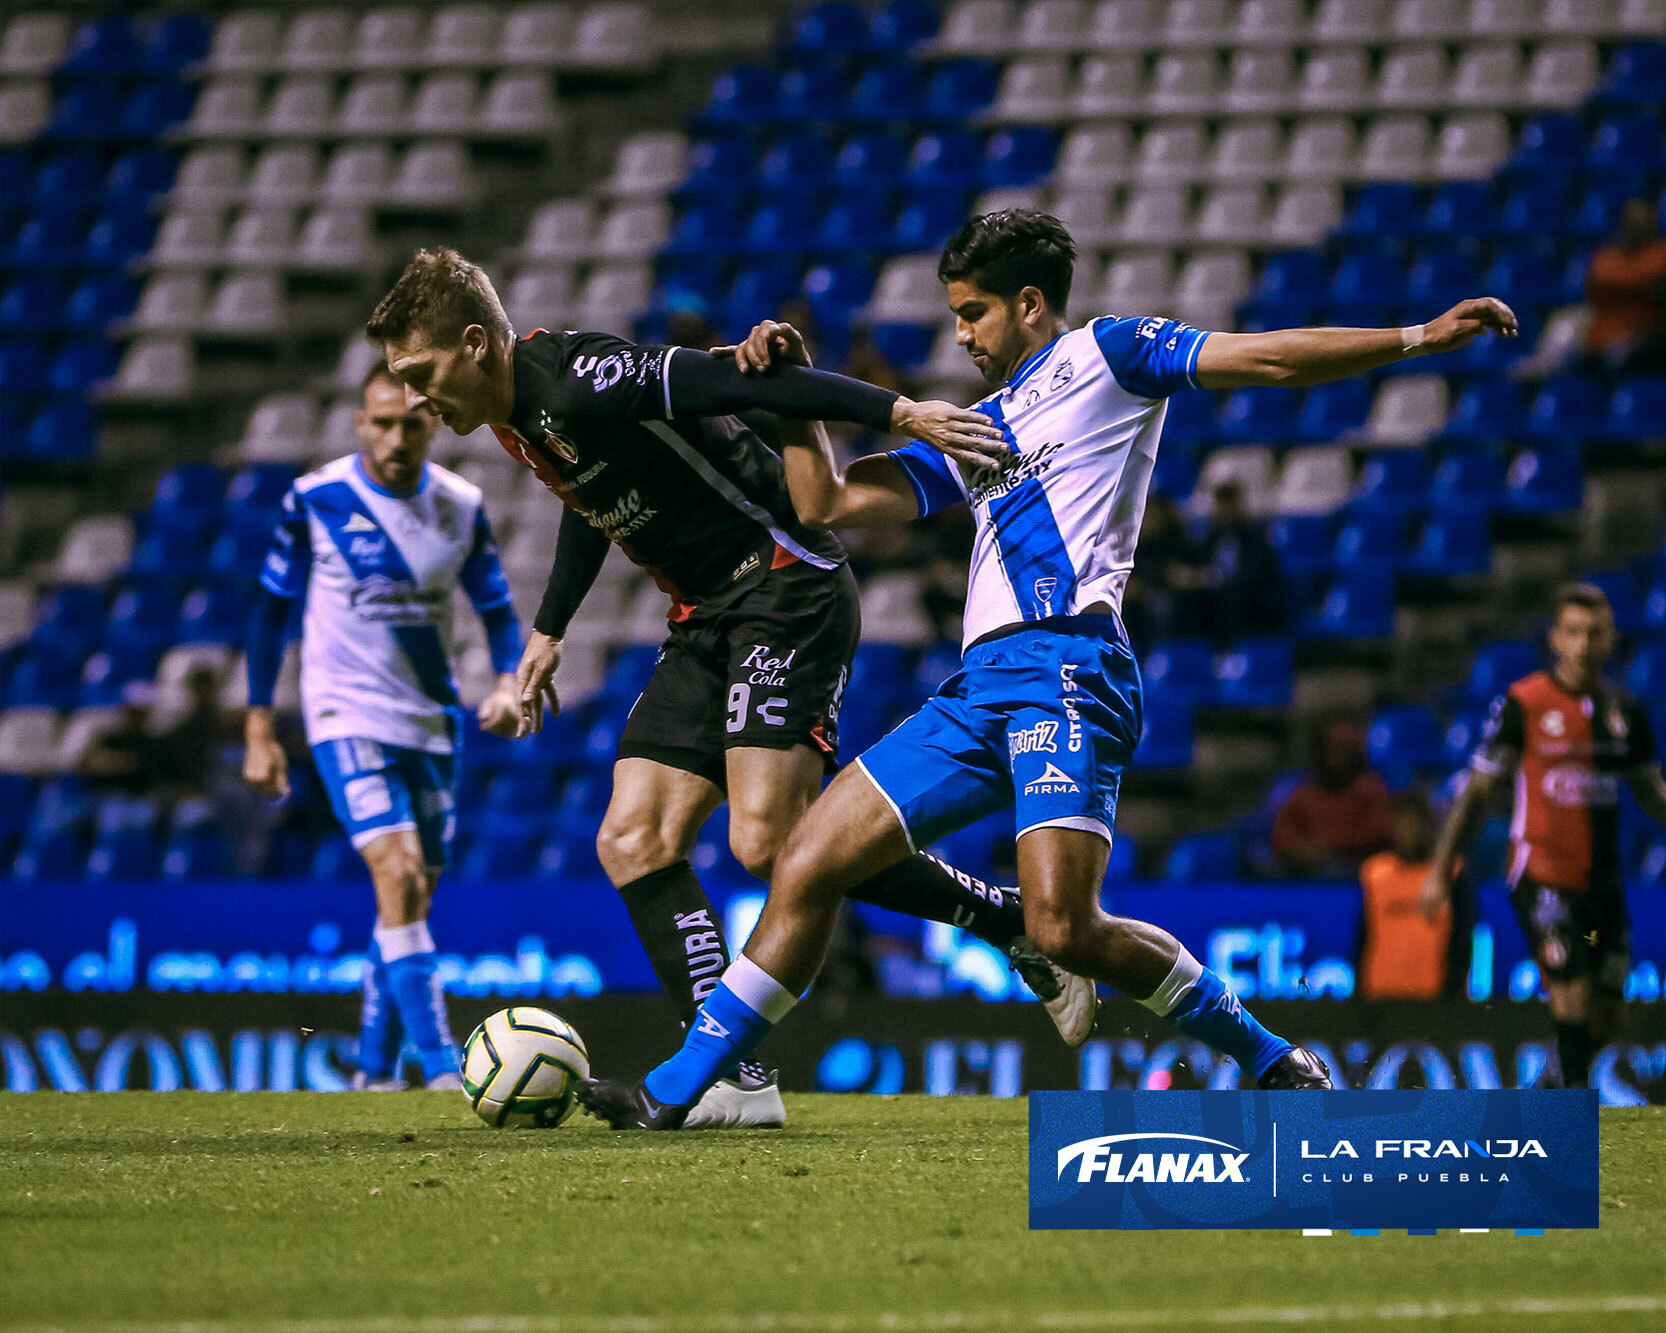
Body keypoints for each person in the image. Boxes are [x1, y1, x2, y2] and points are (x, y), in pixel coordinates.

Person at [575, 208, 1522, 1128]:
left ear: (1031, 304)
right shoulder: (979, 425)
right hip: (977, 688)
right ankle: (676, 1090)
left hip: (1069, 667)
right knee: (806, 858)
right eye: (954, 314)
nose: (960, 333)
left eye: (973, 312)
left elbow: (1263, 356)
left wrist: (1415, 335)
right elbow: (822, 502)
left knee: (1066, 925)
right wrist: (791, 393)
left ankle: (1272, 1056)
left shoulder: (1111, 355)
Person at [362, 248, 1099, 1127]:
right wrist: (549, 630)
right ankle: (739, 1078)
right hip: (706, 614)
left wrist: (904, 412)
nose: (414, 397)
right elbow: (591, 495)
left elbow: (746, 384)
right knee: (633, 837)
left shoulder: (580, 377)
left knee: (768, 843)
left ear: (475, 343)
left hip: (785, 585)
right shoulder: (519, 417)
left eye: (419, 372)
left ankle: (1007, 922)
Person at [242, 359, 525, 1091]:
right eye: (383, 421)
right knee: (397, 875)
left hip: (431, 721)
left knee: (411, 898)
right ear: (360, 422)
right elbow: (269, 613)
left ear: (434, 422)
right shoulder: (316, 498)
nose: (398, 436)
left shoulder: (460, 503)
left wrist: (506, 684)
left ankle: (372, 1071)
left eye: (413, 422)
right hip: (343, 713)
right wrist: (259, 726)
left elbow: (495, 608)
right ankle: (438, 1066)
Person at [1423, 583, 1666, 1089]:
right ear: (1556, 638)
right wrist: (1440, 872)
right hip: (1541, 874)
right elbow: (1476, 792)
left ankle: (1549, 1090)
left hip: (1603, 882)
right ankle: (1572, 1120)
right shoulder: (1524, 703)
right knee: (1571, 985)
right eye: (1572, 632)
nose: (1582, 644)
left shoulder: (1627, 713)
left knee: (1605, 1014)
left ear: (1610, 640)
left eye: (1593, 634)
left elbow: (1649, 792)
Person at [1270, 720, 1396, 878]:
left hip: (1354, 870)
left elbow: (1377, 835)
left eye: (1343, 750)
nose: (1337, 757)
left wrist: (1329, 850)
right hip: (1305, 869)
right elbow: (1283, 833)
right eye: (1332, 750)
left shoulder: (1372, 791)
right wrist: (1303, 851)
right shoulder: (1303, 792)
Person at [1358, 791, 1451, 1000]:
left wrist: (1452, 994)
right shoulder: (1375, 873)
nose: (1408, 832)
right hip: (1381, 996)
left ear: (1428, 826)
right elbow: (1363, 937)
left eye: (1415, 824)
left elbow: (1462, 940)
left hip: (1433, 999)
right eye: (1402, 823)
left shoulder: (1447, 874)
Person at [1184, 481, 1286, 646]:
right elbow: (1201, 567)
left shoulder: (1256, 539)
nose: (1225, 512)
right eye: (1220, 506)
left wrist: (1217, 580)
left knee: (1230, 598)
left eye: (1229, 506)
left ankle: (1231, 651)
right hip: (1215, 594)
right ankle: (1193, 655)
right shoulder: (1211, 538)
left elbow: (1255, 575)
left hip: (1249, 598)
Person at [1582, 197, 1666, 377]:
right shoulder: (1607, 255)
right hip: (1602, 320)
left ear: (1651, 223)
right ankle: (1536, 379)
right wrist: (1640, 284)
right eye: (1631, 220)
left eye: (1641, 220)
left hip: (1644, 328)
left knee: (1618, 355)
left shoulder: (1661, 254)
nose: (1635, 225)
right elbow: (1595, 286)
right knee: (1564, 324)